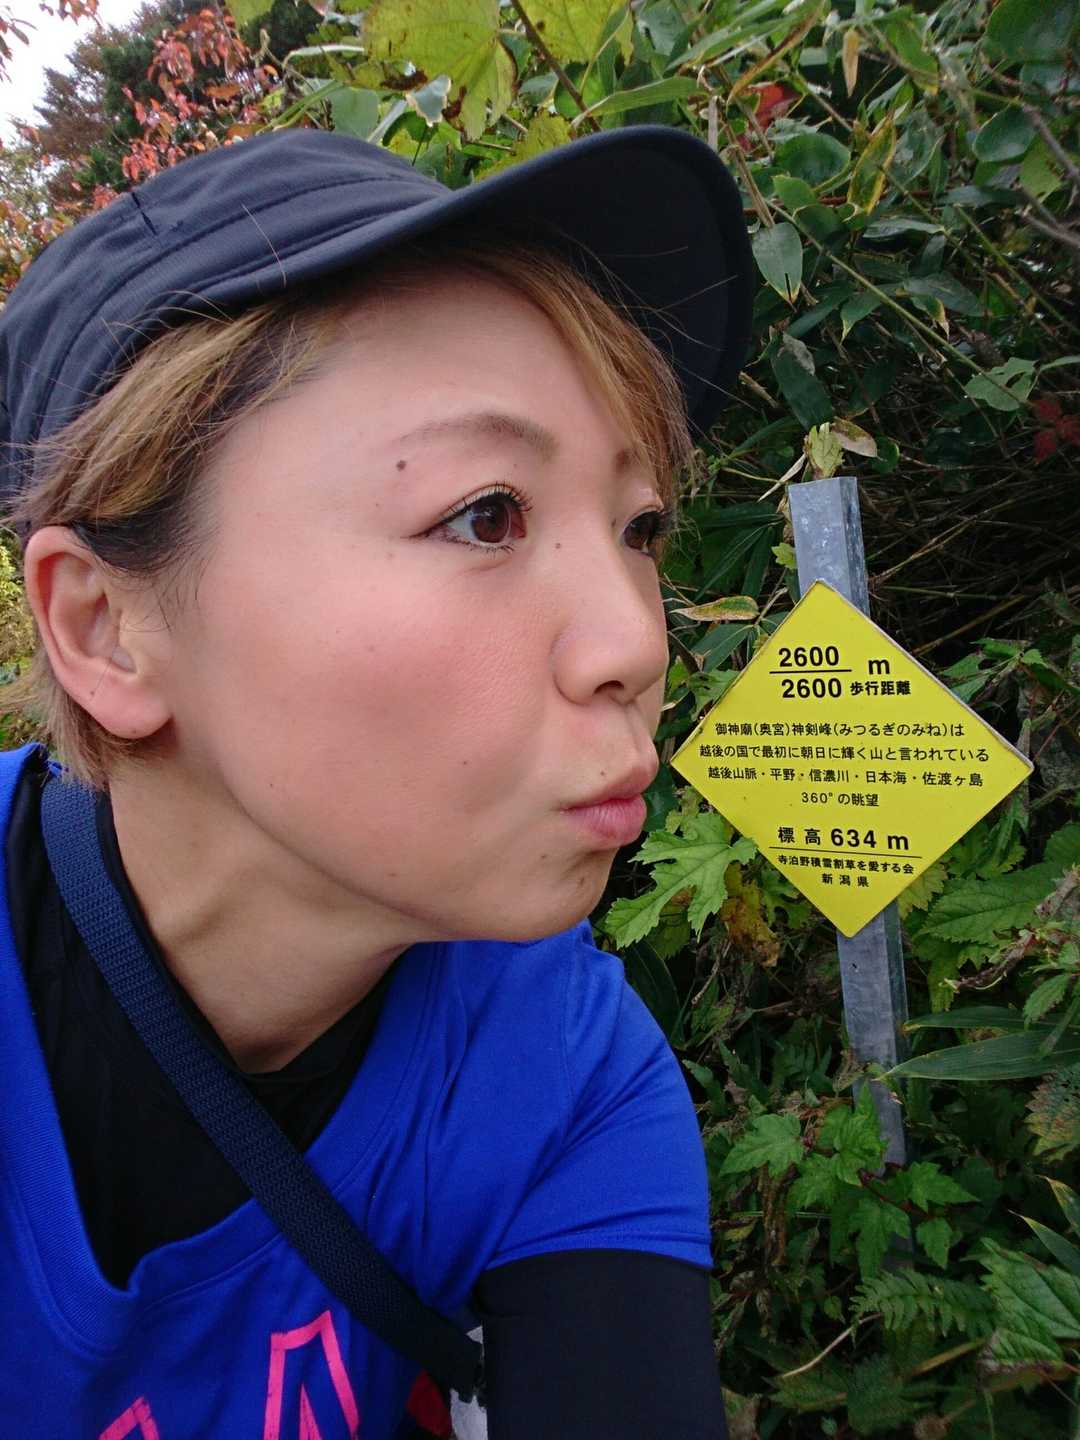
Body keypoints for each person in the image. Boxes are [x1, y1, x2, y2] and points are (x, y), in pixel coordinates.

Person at [0, 125, 752, 1437]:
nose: (636, 641)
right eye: (485, 514)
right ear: (108, 628)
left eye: (639, 528)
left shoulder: (566, 1076)